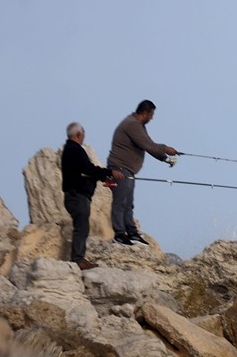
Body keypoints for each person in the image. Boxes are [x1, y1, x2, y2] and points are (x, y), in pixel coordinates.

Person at [106, 99, 179, 245]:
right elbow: (148, 145)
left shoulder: (136, 124)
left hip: (128, 170)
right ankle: (120, 234)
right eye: (151, 115)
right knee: (120, 202)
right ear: (145, 113)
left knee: (128, 203)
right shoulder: (132, 124)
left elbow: (148, 145)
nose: (152, 118)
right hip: (120, 168)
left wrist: (166, 159)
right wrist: (166, 150)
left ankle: (131, 232)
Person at [61, 123, 124, 270]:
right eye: (83, 134)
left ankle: (79, 258)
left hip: (75, 195)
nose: (84, 137)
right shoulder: (75, 149)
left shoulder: (70, 150)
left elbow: (83, 172)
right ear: (78, 135)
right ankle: (78, 259)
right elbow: (87, 169)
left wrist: (102, 177)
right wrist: (109, 173)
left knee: (81, 227)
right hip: (77, 196)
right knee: (81, 228)